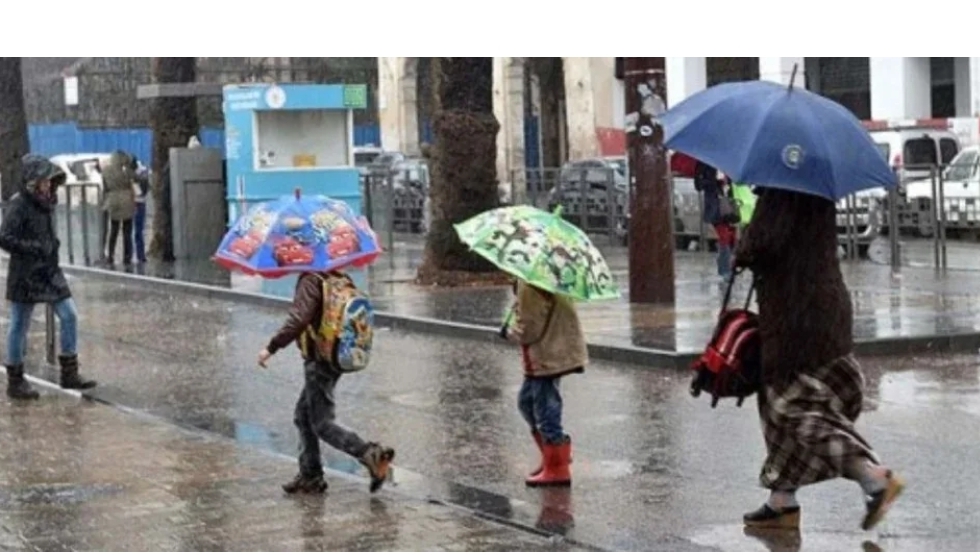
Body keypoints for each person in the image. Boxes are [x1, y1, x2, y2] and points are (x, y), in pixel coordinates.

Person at [733, 187, 904, 531]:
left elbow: (763, 244)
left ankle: (872, 477)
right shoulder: (815, 189)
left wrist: (743, 241)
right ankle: (782, 499)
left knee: (793, 409)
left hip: (796, 319)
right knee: (775, 404)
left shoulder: (781, 192)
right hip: (824, 310)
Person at [258, 271, 395, 494]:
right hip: (335, 355)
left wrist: (271, 348)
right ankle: (310, 475)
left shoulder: (310, 279)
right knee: (303, 415)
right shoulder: (337, 275)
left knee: (321, 422)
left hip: (319, 360)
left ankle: (370, 453)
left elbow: (299, 319)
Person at [0, 154, 98, 399]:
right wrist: (32, 247)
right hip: (25, 272)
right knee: (19, 324)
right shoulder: (19, 204)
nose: (47, 184)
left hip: (49, 270)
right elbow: (4, 237)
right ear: (33, 181)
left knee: (69, 315)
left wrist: (51, 245)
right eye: (44, 180)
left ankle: (69, 372)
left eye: (49, 180)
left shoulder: (47, 202)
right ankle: (15, 379)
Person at [501, 280, 587, 487]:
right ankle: (554, 457)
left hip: (548, 354)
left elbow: (529, 328)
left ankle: (557, 467)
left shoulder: (531, 284)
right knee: (527, 402)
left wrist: (510, 332)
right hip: (547, 352)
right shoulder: (539, 278)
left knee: (545, 408)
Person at [694, 160, 737, 283]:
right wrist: (715, 181)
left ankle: (723, 264)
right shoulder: (703, 163)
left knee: (730, 236)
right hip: (714, 205)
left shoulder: (727, 163)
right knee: (724, 236)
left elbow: (731, 184)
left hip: (727, 205)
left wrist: (727, 182)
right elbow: (698, 185)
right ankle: (725, 270)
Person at [101, 150, 136, 266]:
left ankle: (110, 255)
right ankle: (127, 257)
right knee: (127, 231)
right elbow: (135, 179)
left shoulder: (106, 170)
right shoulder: (126, 171)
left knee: (114, 230)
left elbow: (105, 187)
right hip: (126, 200)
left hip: (113, 201)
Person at [131, 157, 150, 263]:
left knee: (134, 230)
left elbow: (139, 191)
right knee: (139, 230)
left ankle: (135, 255)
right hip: (140, 203)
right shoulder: (143, 174)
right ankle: (140, 255)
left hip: (135, 203)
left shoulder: (136, 176)